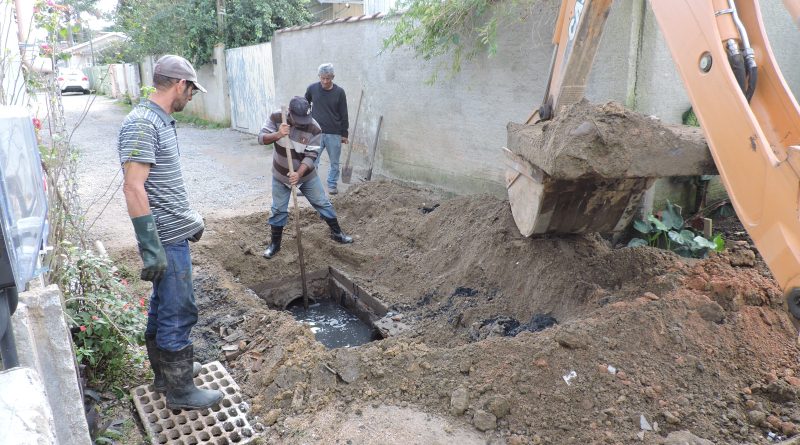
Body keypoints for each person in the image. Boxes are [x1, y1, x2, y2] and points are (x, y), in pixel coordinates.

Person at [118, 54, 222, 410]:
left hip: (171, 233)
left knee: (163, 306)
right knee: (179, 310)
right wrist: (151, 247)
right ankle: (180, 392)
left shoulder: (157, 122)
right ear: (180, 84)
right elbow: (133, 187)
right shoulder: (143, 124)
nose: (191, 96)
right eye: (191, 89)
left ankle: (166, 376)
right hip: (164, 238)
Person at [259, 96, 353, 259]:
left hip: (306, 175)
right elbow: (261, 139)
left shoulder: (314, 128)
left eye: (306, 118)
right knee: (278, 209)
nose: (303, 122)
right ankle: (275, 245)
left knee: (322, 202)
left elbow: (311, 155)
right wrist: (278, 134)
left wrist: (298, 174)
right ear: (290, 112)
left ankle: (337, 233)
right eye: (299, 119)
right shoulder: (276, 118)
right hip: (281, 174)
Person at [304, 63, 348, 195]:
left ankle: (332, 185)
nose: (325, 81)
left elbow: (344, 113)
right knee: (312, 160)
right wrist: (306, 120)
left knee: (334, 162)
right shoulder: (312, 88)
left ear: (333, 77)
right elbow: (304, 103)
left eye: (328, 78)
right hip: (316, 132)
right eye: (322, 78)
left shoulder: (339, 92)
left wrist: (344, 133)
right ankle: (310, 186)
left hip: (334, 132)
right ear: (319, 76)